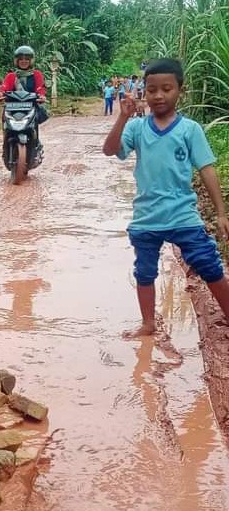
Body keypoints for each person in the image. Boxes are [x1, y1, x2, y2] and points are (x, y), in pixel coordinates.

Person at [102, 58, 229, 337]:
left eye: (166, 89)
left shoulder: (190, 130)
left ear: (180, 91)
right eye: (152, 90)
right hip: (147, 218)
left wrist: (220, 212)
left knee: (209, 265)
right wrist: (123, 117)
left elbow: (207, 171)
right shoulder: (137, 128)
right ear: (144, 92)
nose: (158, 95)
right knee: (144, 273)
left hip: (184, 215)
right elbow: (110, 150)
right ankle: (148, 324)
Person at [0, 45, 48, 154]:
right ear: (17, 61)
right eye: (21, 59)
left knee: (35, 120)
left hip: (30, 106)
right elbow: (4, 87)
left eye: (26, 59)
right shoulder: (11, 76)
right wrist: (0, 93)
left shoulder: (37, 75)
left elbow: (40, 88)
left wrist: (42, 96)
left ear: (31, 61)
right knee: (5, 118)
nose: (24, 61)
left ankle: (36, 142)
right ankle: (6, 143)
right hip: (12, 107)